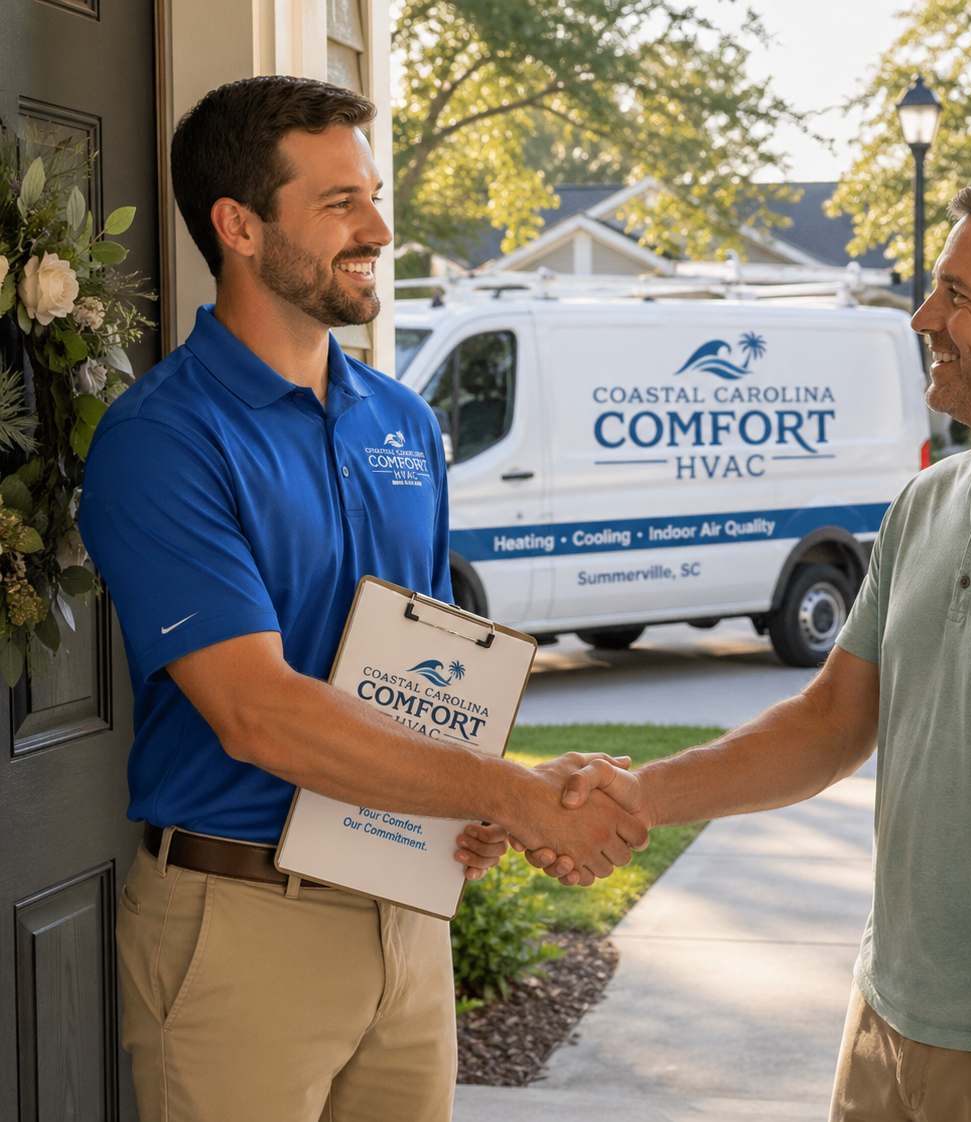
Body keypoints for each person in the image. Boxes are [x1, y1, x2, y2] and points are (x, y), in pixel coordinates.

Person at [495, 177, 971, 1121]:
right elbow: (829, 723)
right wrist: (638, 798)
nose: (924, 316)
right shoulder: (925, 502)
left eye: (959, 297)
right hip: (884, 1018)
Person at [78, 76, 645, 1122]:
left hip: (406, 920)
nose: (379, 228)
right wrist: (513, 793)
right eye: (339, 203)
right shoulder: (164, 440)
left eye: (372, 196)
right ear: (238, 226)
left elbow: (421, 669)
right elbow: (260, 713)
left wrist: (471, 800)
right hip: (244, 931)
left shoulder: (399, 419)